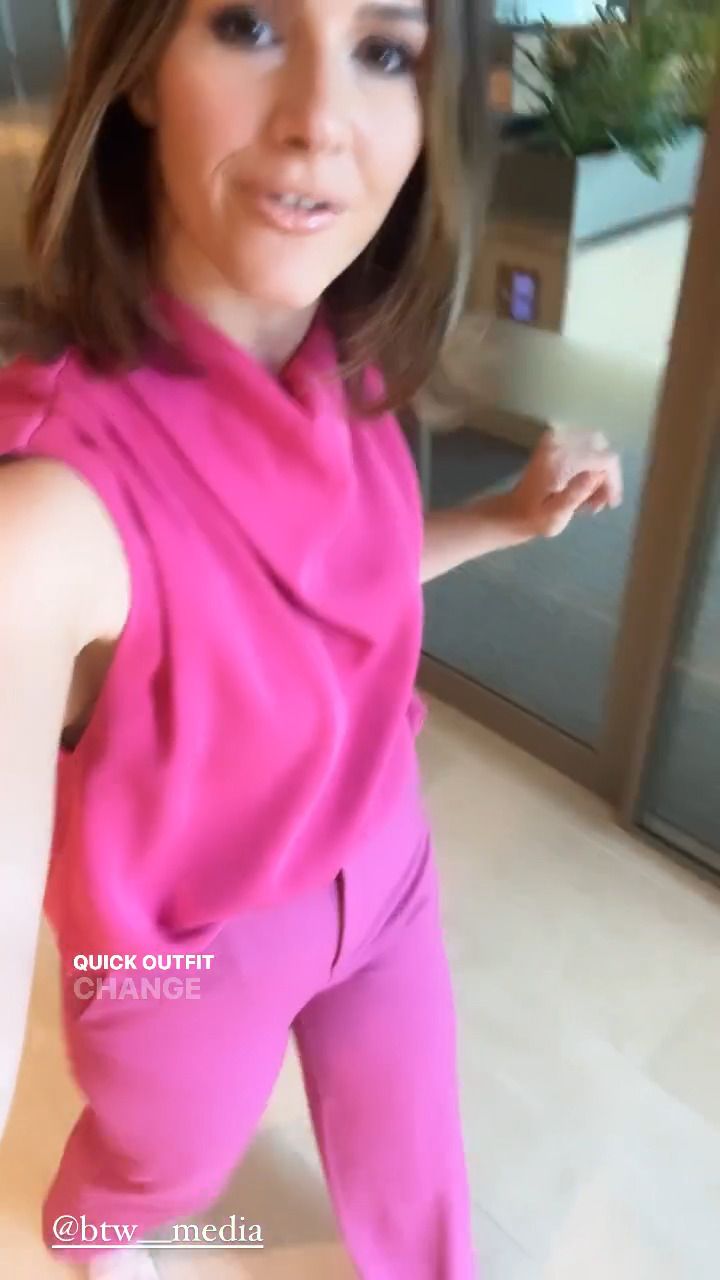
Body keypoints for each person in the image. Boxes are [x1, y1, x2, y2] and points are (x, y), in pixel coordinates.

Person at [0, 1, 622, 1277]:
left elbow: (328, 588)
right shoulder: (49, 513)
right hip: (185, 961)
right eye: (247, 25)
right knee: (159, 1172)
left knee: (418, 1163)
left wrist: (501, 520)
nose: (320, 122)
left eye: (384, 53)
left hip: (386, 864)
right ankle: (92, 1231)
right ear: (140, 73)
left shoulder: (347, 366)